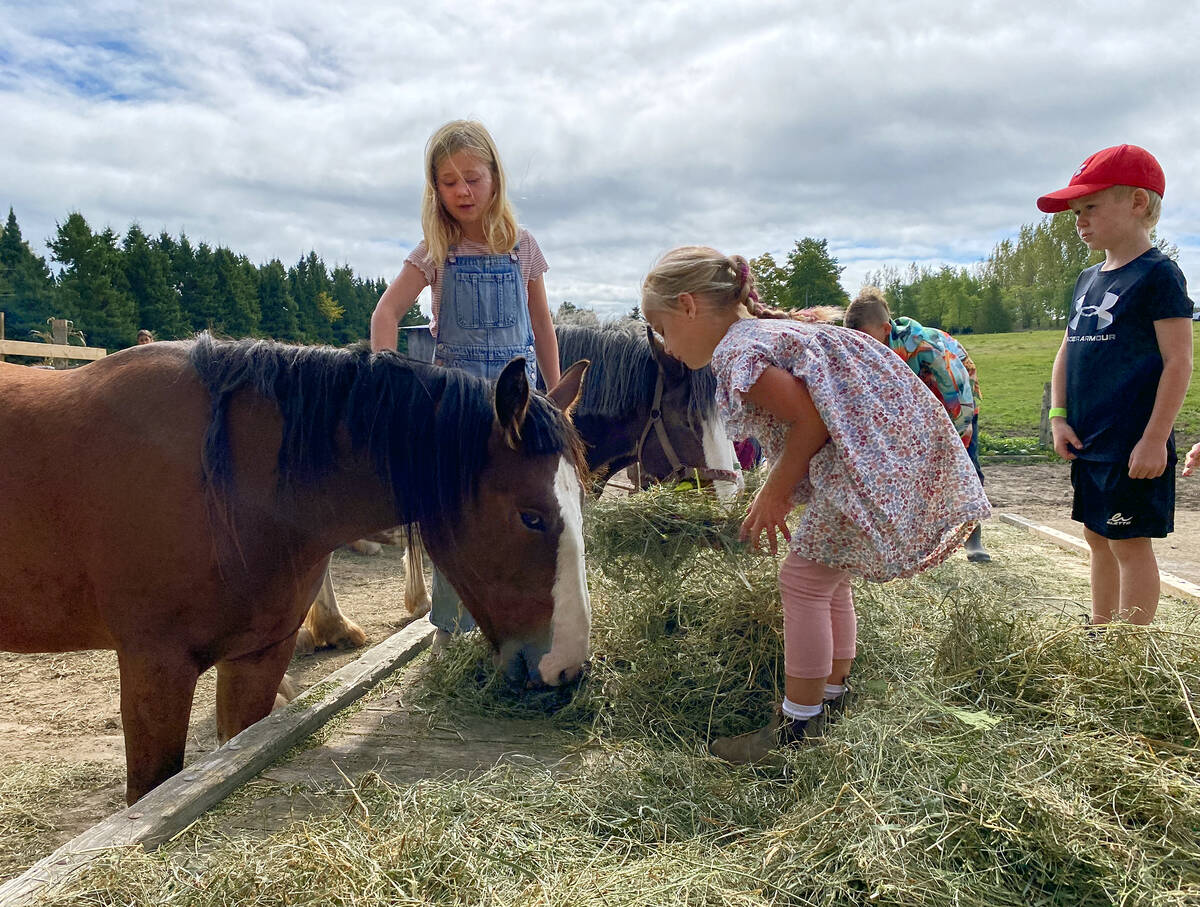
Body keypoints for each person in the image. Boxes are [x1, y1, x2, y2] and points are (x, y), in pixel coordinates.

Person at [640, 246, 989, 763]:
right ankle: (832, 696)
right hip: (872, 462)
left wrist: (773, 494)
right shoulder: (769, 333)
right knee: (829, 576)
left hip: (860, 467)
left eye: (662, 328)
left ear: (688, 306)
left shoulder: (739, 351)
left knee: (801, 581)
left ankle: (795, 730)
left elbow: (812, 421)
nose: (666, 347)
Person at [369, 120, 562, 649]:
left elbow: (541, 325)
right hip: (456, 409)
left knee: (527, 510)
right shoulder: (436, 249)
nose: (462, 191)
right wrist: (389, 386)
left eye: (472, 178)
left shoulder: (522, 247)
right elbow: (384, 316)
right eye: (448, 182)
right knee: (456, 511)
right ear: (435, 189)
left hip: (518, 407)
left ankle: (531, 619)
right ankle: (451, 635)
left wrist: (556, 391)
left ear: (495, 177)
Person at [1038, 144, 1194, 626]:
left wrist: (1153, 440)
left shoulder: (1158, 275)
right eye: (1076, 212)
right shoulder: (1087, 279)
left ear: (1138, 203)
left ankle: (1128, 656)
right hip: (1089, 438)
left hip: (1133, 443)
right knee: (1096, 536)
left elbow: (1178, 361)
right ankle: (1100, 633)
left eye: (1090, 207)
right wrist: (1059, 416)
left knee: (1129, 541)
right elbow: (1068, 349)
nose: (1079, 220)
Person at [844, 288, 991, 562]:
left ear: (886, 329)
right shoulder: (870, 354)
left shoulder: (929, 349)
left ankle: (973, 537)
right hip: (917, 408)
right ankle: (912, 538)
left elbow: (959, 402)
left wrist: (952, 442)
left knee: (965, 465)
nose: (861, 347)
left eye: (865, 339)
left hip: (957, 402)